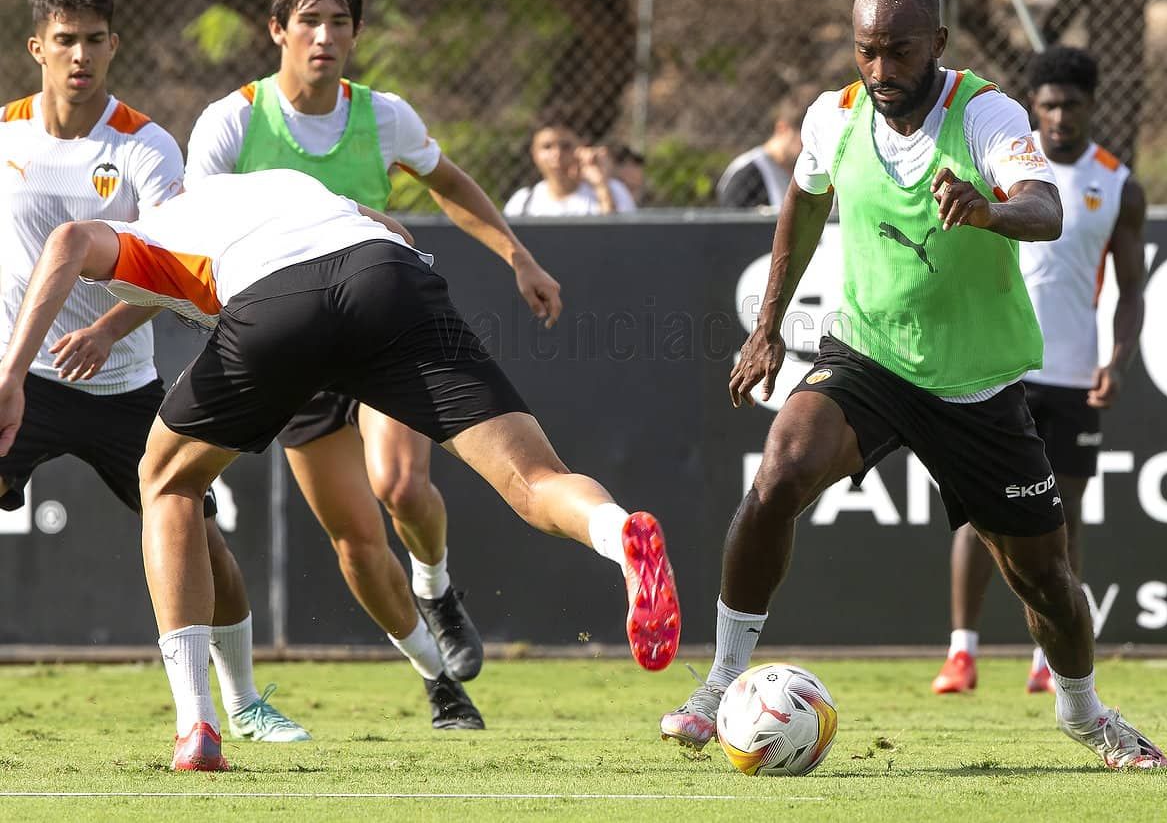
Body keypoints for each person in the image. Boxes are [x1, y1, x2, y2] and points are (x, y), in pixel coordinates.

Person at [0, 167, 682, 771]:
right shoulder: (290, 186)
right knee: (533, 480)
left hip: (277, 306)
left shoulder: (159, 227)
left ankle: (196, 725)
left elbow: (66, 243)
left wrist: (12, 379)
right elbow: (386, 228)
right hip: (390, 279)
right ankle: (619, 535)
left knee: (168, 480)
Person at [659, 0, 1167, 770]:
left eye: (899, 52)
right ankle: (721, 681)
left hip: (977, 385)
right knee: (778, 477)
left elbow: (1047, 206)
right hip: (869, 356)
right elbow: (803, 203)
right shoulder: (834, 116)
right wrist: (767, 330)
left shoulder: (988, 114)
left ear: (937, 44)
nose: (882, 69)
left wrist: (990, 207)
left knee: (1044, 580)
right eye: (867, 52)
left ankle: (1085, 713)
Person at [183, 0, 538, 729]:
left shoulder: (383, 116)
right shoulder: (233, 121)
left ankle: (438, 585)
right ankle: (439, 681)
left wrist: (518, 255)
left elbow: (447, 182)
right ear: (276, 30)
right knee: (355, 543)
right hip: (289, 341)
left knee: (403, 486)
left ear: (355, 34)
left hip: (377, 329)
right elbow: (188, 229)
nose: (324, 36)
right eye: (308, 20)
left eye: (339, 22)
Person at [0, 0, 307, 743]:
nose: (80, 56)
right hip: (19, 380)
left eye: (94, 41)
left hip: (124, 386)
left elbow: (183, 260)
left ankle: (241, 702)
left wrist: (107, 330)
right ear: (36, 47)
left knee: (200, 538)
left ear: (113, 46)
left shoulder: (144, 144)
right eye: (64, 40)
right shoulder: (4, 136)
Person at [931, 46, 1147, 697]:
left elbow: (1132, 288)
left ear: (1091, 106)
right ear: (1034, 108)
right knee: (977, 515)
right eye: (1047, 104)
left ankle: (1046, 656)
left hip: (1073, 372)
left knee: (1061, 518)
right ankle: (961, 651)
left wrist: (1118, 358)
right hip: (995, 363)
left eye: (1070, 104)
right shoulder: (1003, 163)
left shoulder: (1116, 183)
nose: (1057, 116)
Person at [504, 123, 635, 216]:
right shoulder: (522, 202)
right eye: (547, 147)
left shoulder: (613, 190)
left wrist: (601, 187)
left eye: (566, 146)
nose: (557, 154)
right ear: (534, 154)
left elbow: (619, 239)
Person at [716, 92, 806, 208]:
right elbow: (730, 221)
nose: (809, 145)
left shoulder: (803, 170)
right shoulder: (748, 173)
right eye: (804, 136)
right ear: (782, 128)